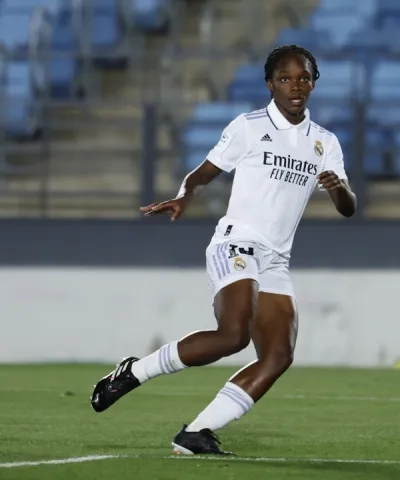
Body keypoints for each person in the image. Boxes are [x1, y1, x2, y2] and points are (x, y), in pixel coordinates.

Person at [89, 44, 356, 455]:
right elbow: (203, 173)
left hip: (276, 259)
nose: (295, 85)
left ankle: (196, 433)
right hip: (237, 241)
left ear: (314, 82)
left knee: (278, 356)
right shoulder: (248, 127)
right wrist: (183, 196)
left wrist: (341, 191)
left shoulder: (324, 142)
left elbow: (348, 208)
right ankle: (134, 372)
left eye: (303, 77)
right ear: (270, 84)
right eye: (285, 78)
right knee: (233, 334)